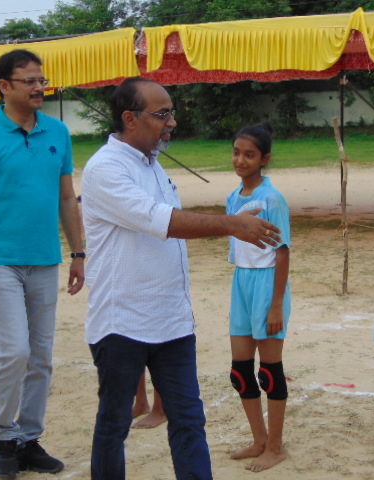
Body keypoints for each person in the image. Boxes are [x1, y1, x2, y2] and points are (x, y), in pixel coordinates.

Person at [82, 76, 282, 480]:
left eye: (172, 112)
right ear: (129, 118)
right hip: (122, 323)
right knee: (114, 425)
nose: (172, 122)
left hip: (171, 321)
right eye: (162, 114)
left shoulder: (154, 165)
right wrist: (231, 225)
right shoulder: (105, 168)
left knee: (189, 421)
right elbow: (162, 222)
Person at [0, 49, 85, 479]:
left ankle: (29, 440)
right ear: (4, 86)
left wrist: (78, 253)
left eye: (42, 79)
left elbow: (67, 197)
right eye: (29, 80)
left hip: (45, 259)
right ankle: (3, 436)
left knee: (42, 356)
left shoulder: (58, 132)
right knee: (14, 351)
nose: (38, 87)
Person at [226, 122, 290, 472]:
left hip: (267, 286)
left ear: (264, 159)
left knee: (269, 372)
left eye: (249, 155)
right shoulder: (234, 198)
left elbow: (282, 252)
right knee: (240, 371)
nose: (241, 160)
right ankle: (259, 439)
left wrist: (277, 303)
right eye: (237, 153)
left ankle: (276, 446)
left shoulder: (273, 198)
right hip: (242, 284)